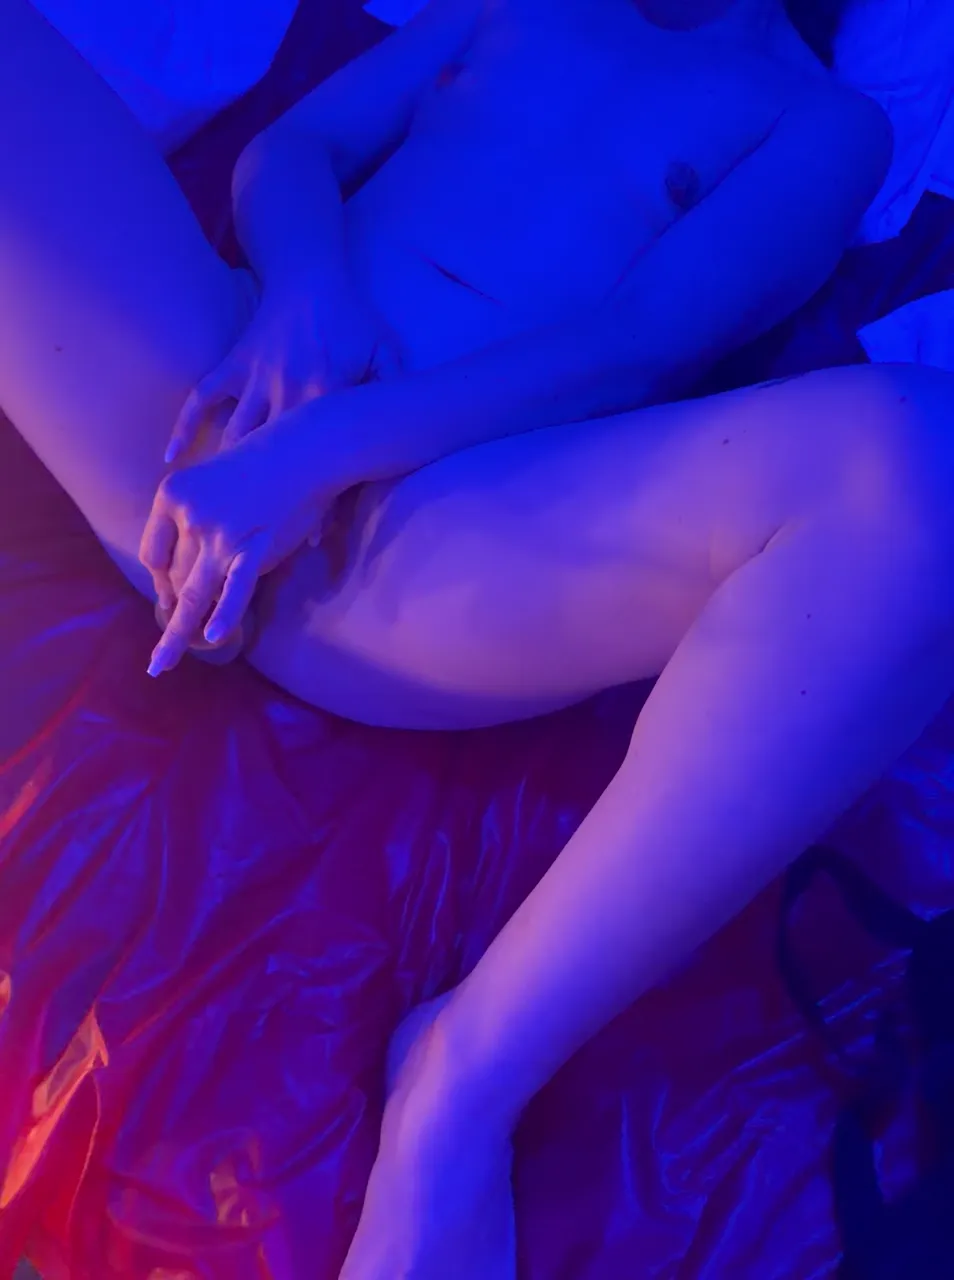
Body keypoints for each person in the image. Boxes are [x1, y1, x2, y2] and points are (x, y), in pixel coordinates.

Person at [3, 0, 954, 1275]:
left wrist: (323, 452)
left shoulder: (822, 120)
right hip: (222, 390)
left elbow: (637, 345)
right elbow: (294, 151)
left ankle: (463, 1081)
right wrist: (304, 300)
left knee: (923, 462)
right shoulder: (517, 7)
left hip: (427, 538)